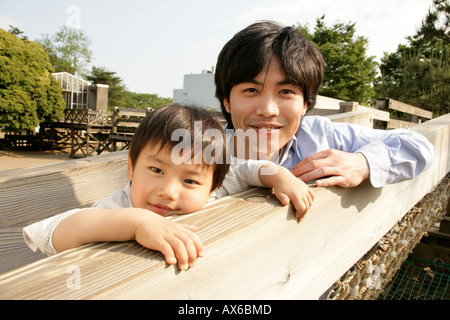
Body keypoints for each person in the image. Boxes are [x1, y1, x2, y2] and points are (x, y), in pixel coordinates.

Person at [23, 103, 313, 271]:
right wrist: (137, 222)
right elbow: (53, 233)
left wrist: (278, 175)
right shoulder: (121, 205)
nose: (168, 191)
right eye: (156, 170)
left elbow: (247, 170)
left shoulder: (217, 188)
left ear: (214, 186)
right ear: (131, 167)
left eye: (189, 180)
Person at [214, 21, 434, 188]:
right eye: (251, 90)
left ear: (305, 103)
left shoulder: (320, 137)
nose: (268, 110)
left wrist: (363, 163)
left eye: (286, 92)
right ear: (227, 101)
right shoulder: (200, 150)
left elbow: (417, 145)